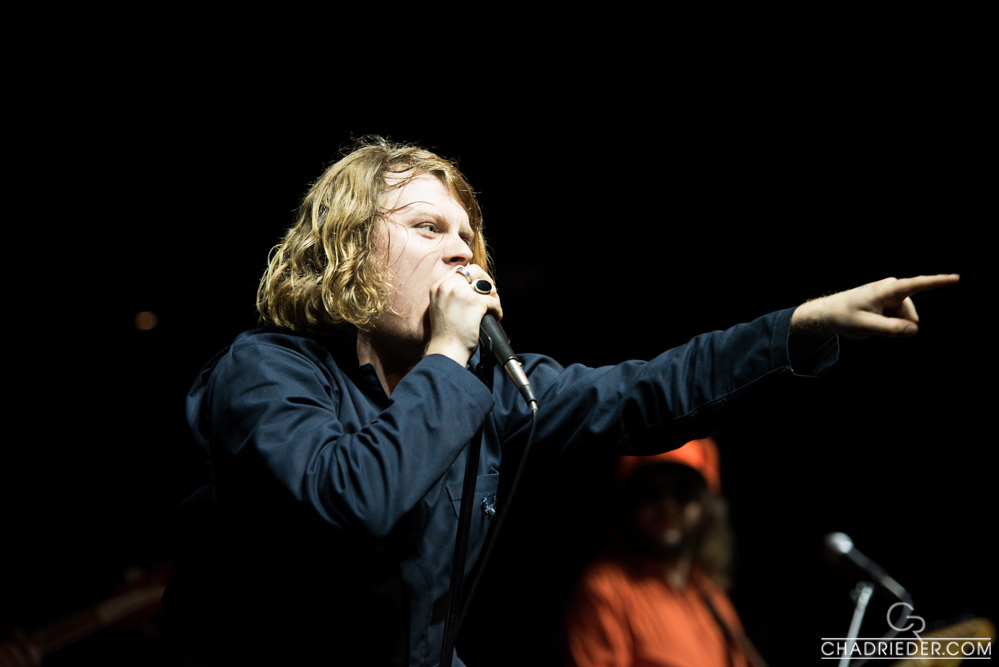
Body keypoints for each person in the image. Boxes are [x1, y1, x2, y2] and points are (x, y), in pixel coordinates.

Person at [162, 135, 958, 667]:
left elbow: (650, 390)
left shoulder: (482, 393)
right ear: (346, 252)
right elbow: (352, 495)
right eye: (426, 225)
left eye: (468, 236)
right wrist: (447, 349)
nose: (461, 250)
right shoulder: (265, 371)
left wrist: (796, 327)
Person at [565, 438, 762, 667]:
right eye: (651, 492)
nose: (667, 506)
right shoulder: (605, 589)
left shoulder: (714, 599)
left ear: (705, 507)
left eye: (682, 492)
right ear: (629, 505)